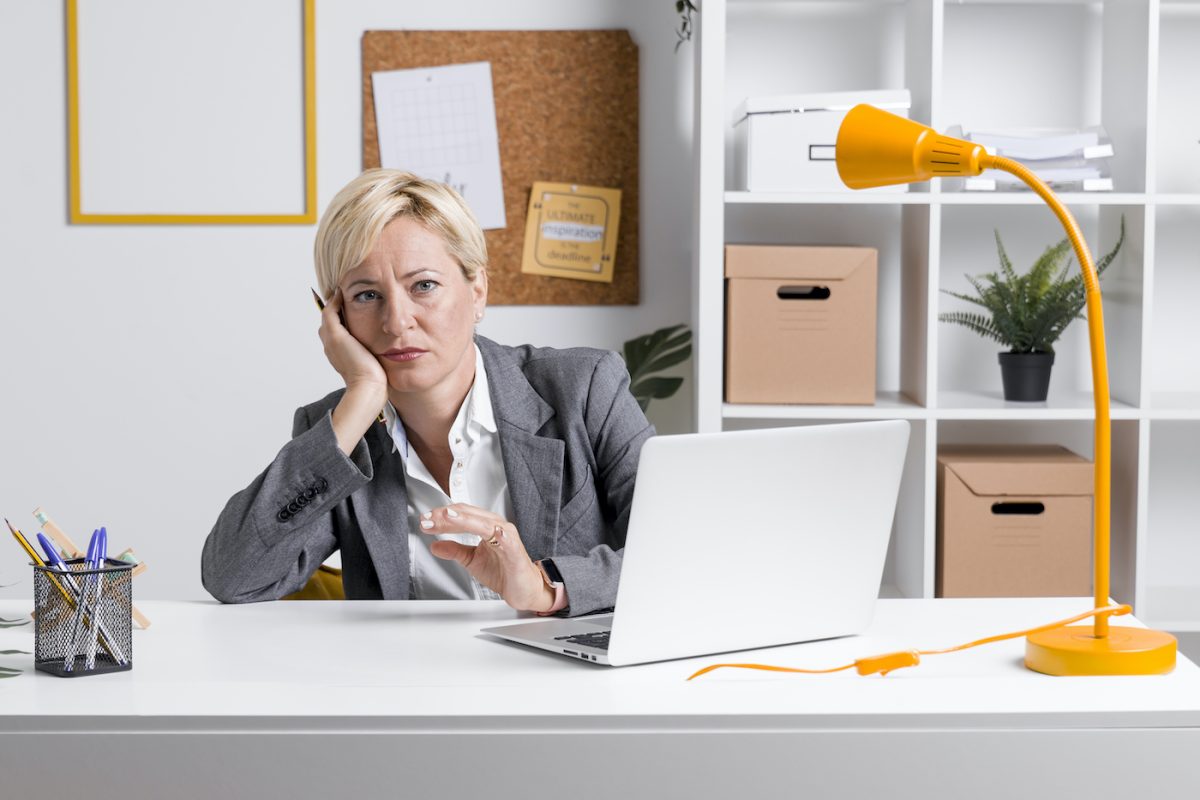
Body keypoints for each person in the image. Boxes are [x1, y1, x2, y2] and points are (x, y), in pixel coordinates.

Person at [201, 169, 655, 616]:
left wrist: (546, 588)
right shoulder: (338, 436)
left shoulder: (583, 388)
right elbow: (233, 577)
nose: (397, 322)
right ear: (333, 316)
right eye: (365, 295)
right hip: (410, 685)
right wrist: (362, 393)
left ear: (477, 290)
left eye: (424, 286)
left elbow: (682, 549)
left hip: (568, 684)